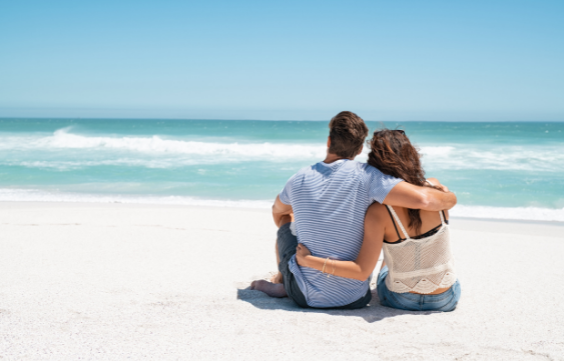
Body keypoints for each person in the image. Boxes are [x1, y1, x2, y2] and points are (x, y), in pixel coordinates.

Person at [251, 111, 457, 309]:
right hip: (356, 298)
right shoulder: (370, 177)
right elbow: (423, 199)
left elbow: (278, 211)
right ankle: (286, 279)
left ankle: (283, 280)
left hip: (303, 296)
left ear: (329, 142)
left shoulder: (298, 178)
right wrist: (448, 196)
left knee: (287, 222)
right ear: (359, 150)